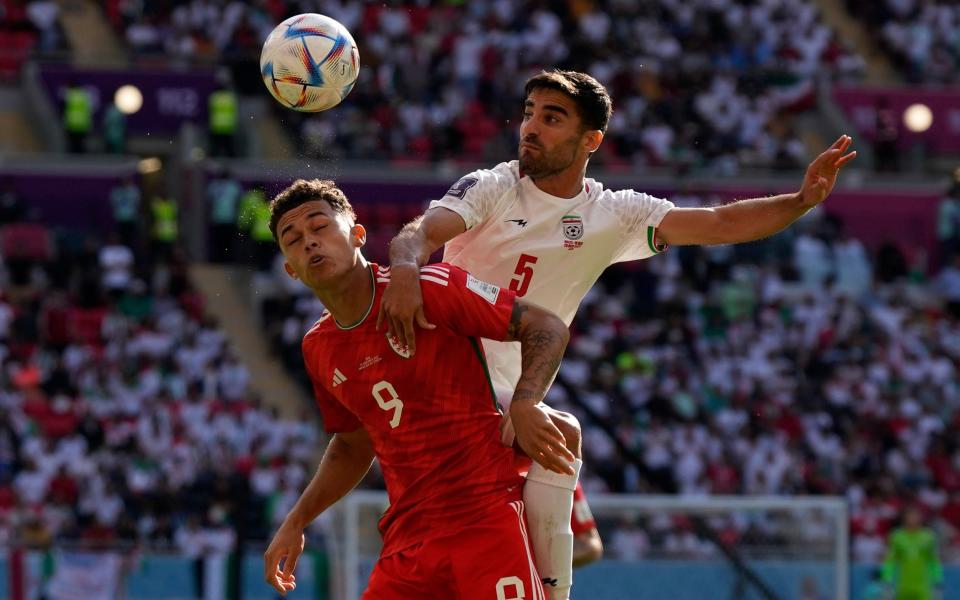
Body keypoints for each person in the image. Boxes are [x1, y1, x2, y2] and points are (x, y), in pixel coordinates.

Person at [380, 69, 857, 599]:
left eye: (552, 118)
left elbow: (719, 224)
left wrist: (798, 202)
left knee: (557, 447)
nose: (530, 127)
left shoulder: (614, 212)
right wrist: (405, 268)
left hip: (509, 403)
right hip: (444, 395)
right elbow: (420, 233)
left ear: (591, 141)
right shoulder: (493, 186)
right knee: (544, 457)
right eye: (530, 113)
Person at [262, 179, 576, 598]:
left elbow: (547, 326)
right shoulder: (317, 347)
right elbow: (353, 445)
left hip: (484, 523)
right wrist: (297, 519)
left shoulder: (430, 287)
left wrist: (525, 402)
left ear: (357, 235)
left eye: (320, 227)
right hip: (407, 549)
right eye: (294, 239)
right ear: (289, 268)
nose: (310, 243)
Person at [881, 506, 943, 600]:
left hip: (922, 587)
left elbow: (933, 561)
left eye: (915, 516)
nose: (912, 519)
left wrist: (937, 579)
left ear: (920, 518)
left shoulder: (928, 537)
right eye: (909, 516)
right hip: (903, 586)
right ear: (904, 519)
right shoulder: (897, 537)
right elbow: (890, 561)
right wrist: (887, 579)